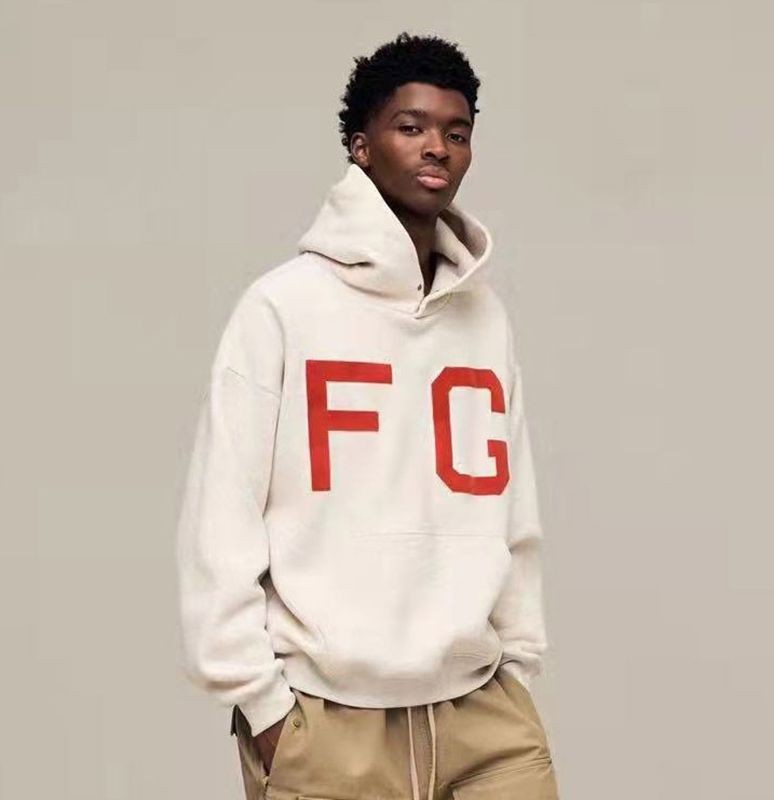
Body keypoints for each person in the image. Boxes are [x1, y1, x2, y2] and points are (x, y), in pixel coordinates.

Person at [176, 31, 560, 800]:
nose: (437, 148)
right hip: (329, 721)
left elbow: (511, 503)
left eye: (457, 132)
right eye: (411, 126)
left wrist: (517, 661)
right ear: (360, 146)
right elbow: (220, 517)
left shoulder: (484, 318)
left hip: (482, 714)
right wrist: (264, 707)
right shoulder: (282, 307)